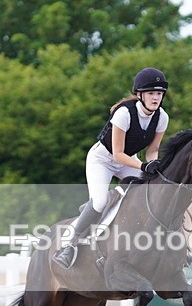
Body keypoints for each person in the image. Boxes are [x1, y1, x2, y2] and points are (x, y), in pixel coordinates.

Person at [53, 67, 170, 269]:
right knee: (100, 201)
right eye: (151, 93)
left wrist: (153, 164)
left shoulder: (162, 117)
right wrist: (143, 165)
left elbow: (153, 150)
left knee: (149, 194)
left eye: (159, 94)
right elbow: (117, 154)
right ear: (139, 94)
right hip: (103, 159)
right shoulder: (124, 113)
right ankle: (69, 246)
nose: (155, 98)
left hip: (128, 160)